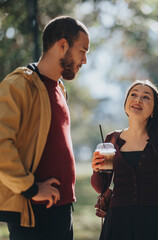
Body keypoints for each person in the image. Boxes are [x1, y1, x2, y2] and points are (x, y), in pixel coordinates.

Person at [0, 16, 90, 240]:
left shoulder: (60, 89)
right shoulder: (18, 85)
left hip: (62, 209)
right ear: (62, 45)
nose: (85, 60)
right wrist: (31, 188)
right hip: (34, 211)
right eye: (83, 51)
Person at [91, 80, 158, 240]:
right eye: (133, 94)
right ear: (126, 103)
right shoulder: (111, 139)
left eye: (145, 97)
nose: (138, 99)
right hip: (117, 222)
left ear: (153, 110)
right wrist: (96, 169)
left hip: (154, 222)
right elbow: (101, 186)